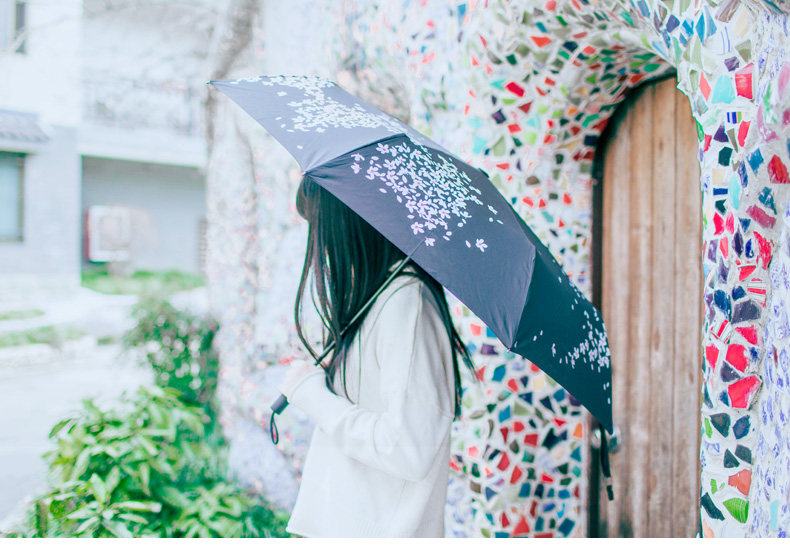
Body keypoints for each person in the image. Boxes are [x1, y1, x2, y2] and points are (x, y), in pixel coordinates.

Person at [277, 175, 477, 538]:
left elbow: (407, 450)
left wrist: (314, 395)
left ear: (347, 224)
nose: (318, 241)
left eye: (319, 224)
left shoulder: (406, 305)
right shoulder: (379, 299)